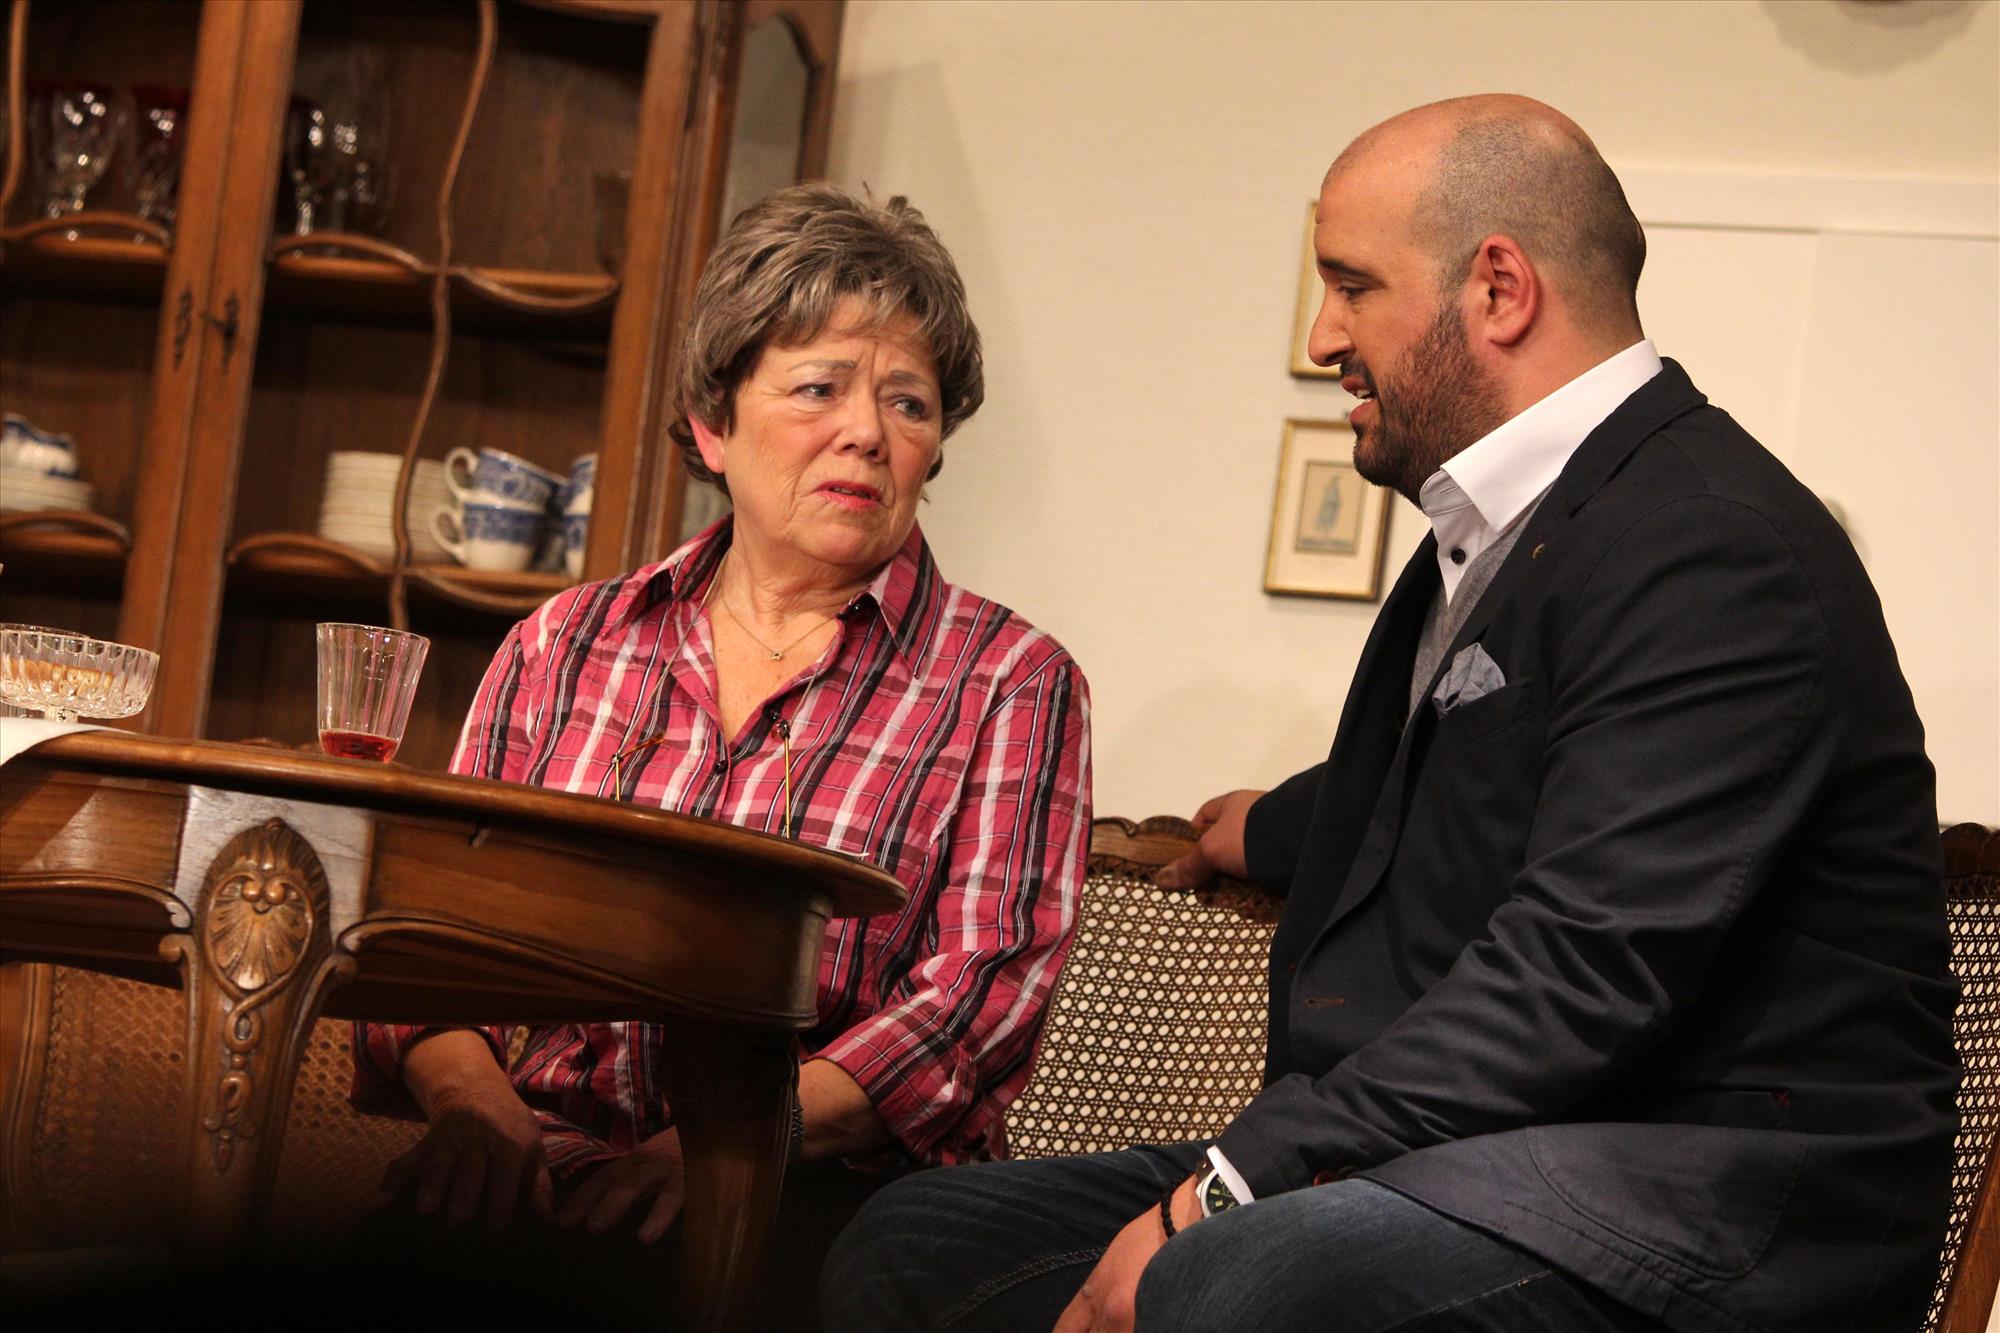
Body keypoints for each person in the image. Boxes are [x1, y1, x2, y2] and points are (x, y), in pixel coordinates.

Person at [822, 95, 1957, 1333]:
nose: (1322, 334)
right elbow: (1504, 760)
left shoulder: (1711, 544)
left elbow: (1581, 966)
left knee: (1240, 1279)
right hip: (1489, 1169)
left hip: (1707, 1207)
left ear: (1498, 289)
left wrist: (1229, 1186)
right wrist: (1270, 827)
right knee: (916, 1246)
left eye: (1349, 285)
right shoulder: (1507, 532)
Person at [348, 183, 1092, 1325]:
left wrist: (733, 1147)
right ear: (712, 424)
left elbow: (975, 1004)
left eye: (908, 401)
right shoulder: (564, 643)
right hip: (533, 1160)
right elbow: (425, 934)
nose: (866, 432)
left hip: (822, 1197)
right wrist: (472, 1104)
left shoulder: (1010, 681)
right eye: (819, 387)